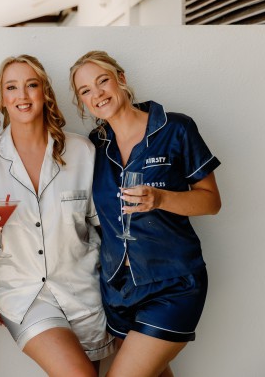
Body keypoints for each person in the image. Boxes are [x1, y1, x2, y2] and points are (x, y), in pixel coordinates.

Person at [71, 49, 221, 375]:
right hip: (117, 289)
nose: (97, 94)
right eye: (85, 91)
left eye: (102, 81)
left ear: (121, 80)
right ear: (82, 101)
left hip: (173, 283)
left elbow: (211, 201)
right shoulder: (92, 146)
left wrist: (160, 199)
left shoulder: (176, 129)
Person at [0, 55, 107, 377]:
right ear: (2, 98)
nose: (23, 95)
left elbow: (101, 225)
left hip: (84, 292)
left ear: (44, 92)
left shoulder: (82, 152)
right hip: (24, 295)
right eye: (12, 87)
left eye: (32, 85)